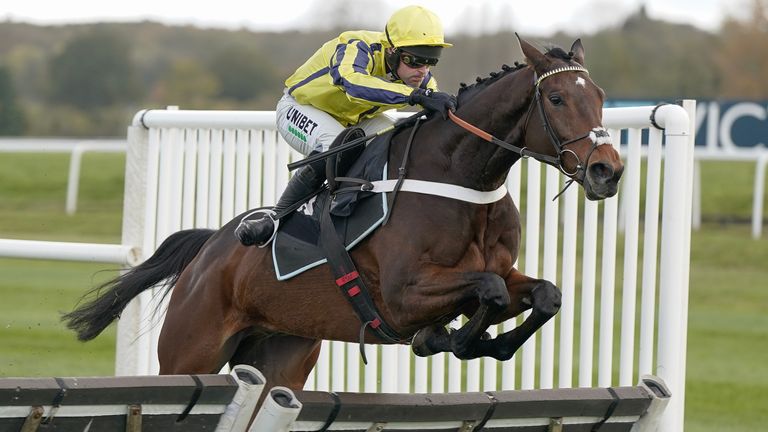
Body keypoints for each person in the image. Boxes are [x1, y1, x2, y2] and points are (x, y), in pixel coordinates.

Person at [235, 5, 457, 247]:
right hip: (299, 108)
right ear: (392, 50)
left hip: (352, 123)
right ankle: (276, 217)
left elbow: (434, 110)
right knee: (337, 141)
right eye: (414, 61)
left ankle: (361, 207)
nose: (422, 71)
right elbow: (351, 82)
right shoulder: (357, 45)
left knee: (396, 138)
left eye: (430, 62)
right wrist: (414, 96)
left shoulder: (421, 79)